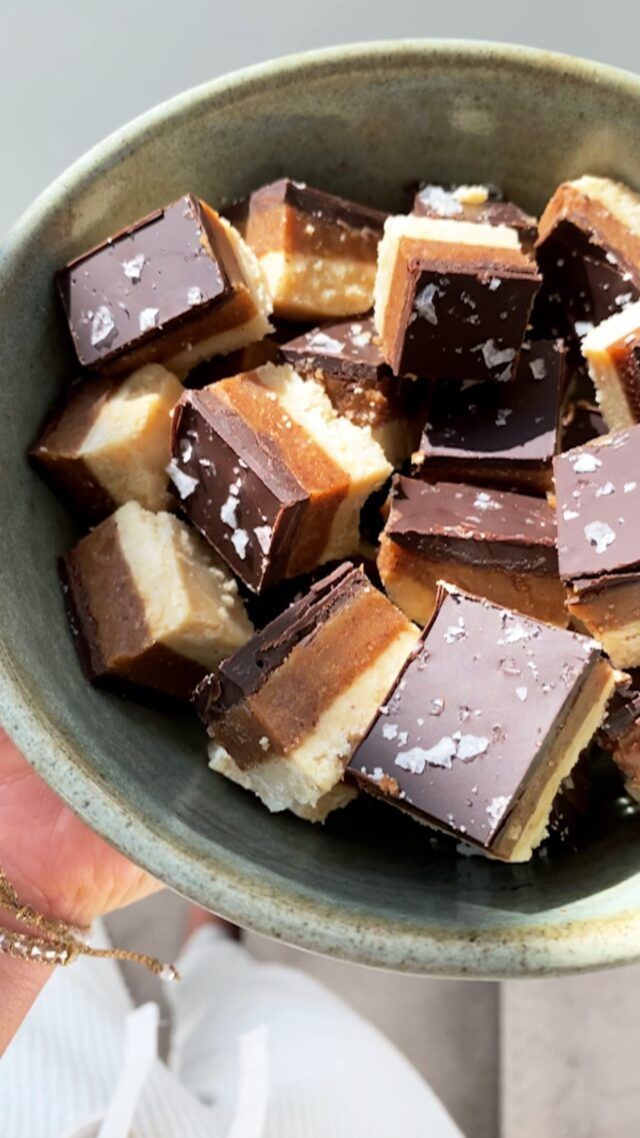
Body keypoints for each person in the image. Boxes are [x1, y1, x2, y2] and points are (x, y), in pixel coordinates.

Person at [0, 728, 463, 1138]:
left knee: (71, 993)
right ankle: (214, 949)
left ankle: (210, 938)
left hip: (45, 1092)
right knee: (291, 1031)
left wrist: (27, 892)